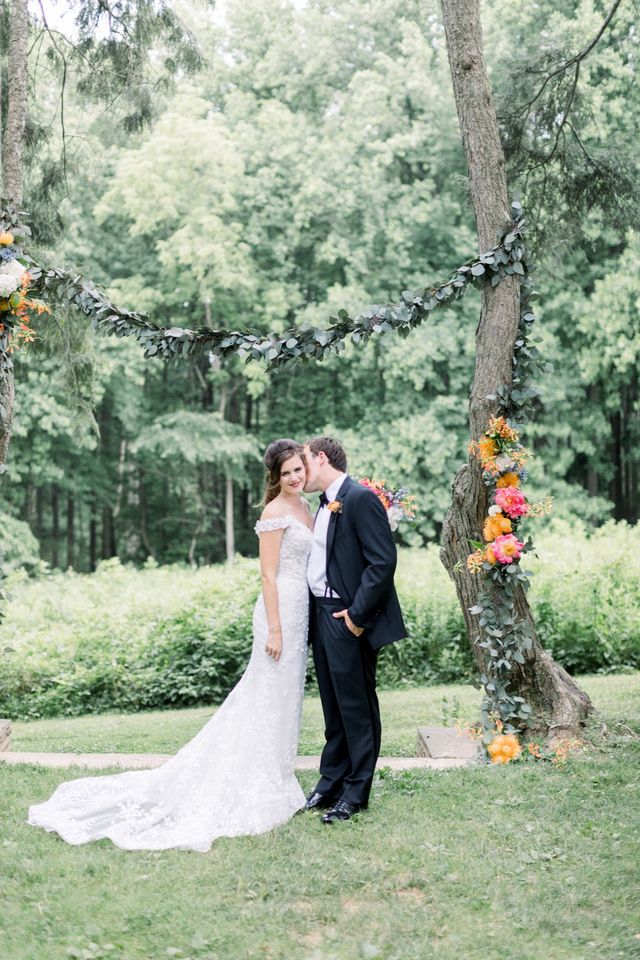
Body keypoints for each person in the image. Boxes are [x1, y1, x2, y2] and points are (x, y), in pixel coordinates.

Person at [27, 439, 313, 853]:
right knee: (265, 695)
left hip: (301, 611)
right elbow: (268, 576)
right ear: (275, 477)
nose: (293, 478)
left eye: (297, 470)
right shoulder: (274, 513)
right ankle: (257, 782)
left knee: (285, 698)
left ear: (305, 468)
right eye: (285, 473)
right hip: (278, 613)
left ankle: (277, 774)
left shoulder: (307, 508)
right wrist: (274, 629)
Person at [302, 436, 406, 824]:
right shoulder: (324, 503)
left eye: (304, 463)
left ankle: (355, 793)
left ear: (322, 458)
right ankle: (330, 784)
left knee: (356, 708)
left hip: (348, 620)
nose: (300, 473)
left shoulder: (360, 498)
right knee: (333, 707)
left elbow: (383, 561)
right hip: (321, 616)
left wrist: (356, 618)